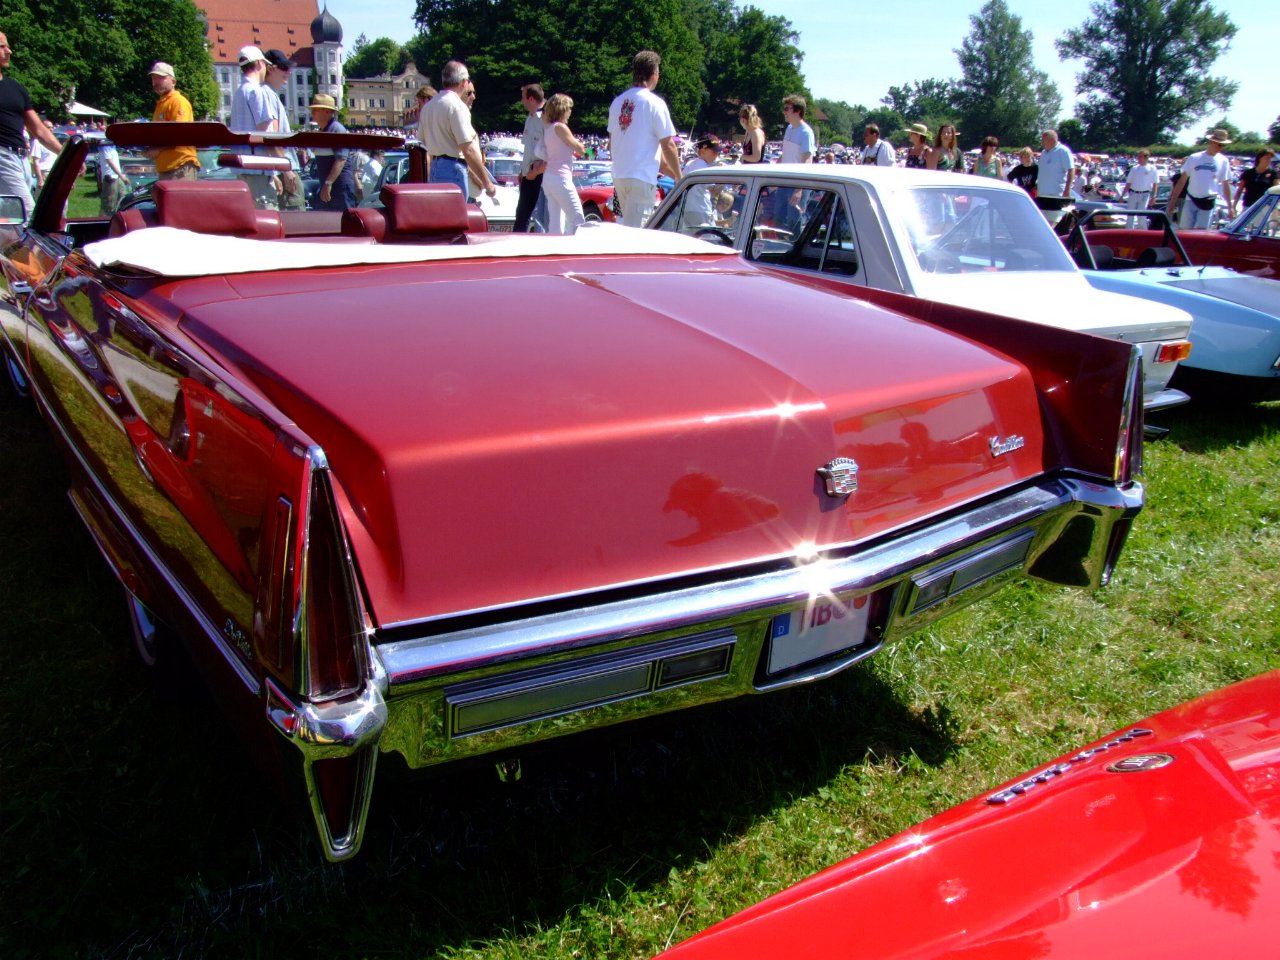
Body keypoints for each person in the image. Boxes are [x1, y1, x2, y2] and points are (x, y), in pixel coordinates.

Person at [607, 50, 681, 227]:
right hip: (641, 178)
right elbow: (668, 145)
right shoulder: (655, 103)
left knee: (626, 230)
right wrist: (680, 178)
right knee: (638, 238)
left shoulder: (617, 102)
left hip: (620, 175)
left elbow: (612, 142)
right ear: (654, 74)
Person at [417, 59, 497, 201]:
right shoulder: (457, 106)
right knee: (455, 220)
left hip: (434, 169)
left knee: (439, 220)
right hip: (453, 168)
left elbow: (422, 142)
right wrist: (487, 183)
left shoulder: (428, 107)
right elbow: (468, 149)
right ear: (464, 82)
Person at [0, 30, 59, 220]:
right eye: (2, 47)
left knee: (9, 222)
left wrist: (66, 153)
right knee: (28, 214)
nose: (9, 51)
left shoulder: (16, 88)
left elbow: (39, 129)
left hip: (21, 160)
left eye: (7, 46)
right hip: (2, 157)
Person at [228, 45, 280, 209]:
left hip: (244, 169)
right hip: (259, 169)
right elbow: (266, 134)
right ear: (259, 63)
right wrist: (281, 168)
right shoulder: (257, 91)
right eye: (265, 64)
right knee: (268, 220)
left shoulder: (238, 93)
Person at [1166, 129, 1236, 229]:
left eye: (1223, 145)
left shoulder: (1223, 161)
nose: (1221, 148)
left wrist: (1230, 207)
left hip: (1208, 201)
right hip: (1191, 199)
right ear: (1212, 142)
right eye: (1219, 144)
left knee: (1201, 231)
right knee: (1184, 230)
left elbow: (1225, 184)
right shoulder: (1194, 158)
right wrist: (1173, 201)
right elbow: (1182, 181)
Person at [539, 93, 586, 235]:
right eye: (569, 109)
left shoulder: (548, 129)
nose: (570, 112)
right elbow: (580, 149)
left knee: (555, 222)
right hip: (561, 178)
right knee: (577, 219)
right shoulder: (561, 128)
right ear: (563, 110)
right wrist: (581, 145)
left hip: (549, 177)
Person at [148, 61, 199, 180]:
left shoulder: (178, 102)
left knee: (182, 199)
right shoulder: (161, 104)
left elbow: (179, 134)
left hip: (181, 167)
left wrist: (156, 149)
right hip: (167, 168)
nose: (156, 81)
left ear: (173, 81)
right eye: (154, 78)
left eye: (161, 77)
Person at [309, 93, 356, 211]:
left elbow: (341, 159)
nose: (312, 113)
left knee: (345, 222)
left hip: (340, 187)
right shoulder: (323, 131)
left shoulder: (336, 129)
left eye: (315, 110)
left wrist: (328, 183)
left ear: (326, 112)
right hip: (329, 186)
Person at [513, 83, 547, 232]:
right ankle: (516, 246)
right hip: (529, 172)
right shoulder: (530, 118)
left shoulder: (545, 117)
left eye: (523, 98)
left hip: (541, 173)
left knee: (541, 218)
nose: (522, 101)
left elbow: (550, 148)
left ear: (531, 99)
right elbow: (528, 148)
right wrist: (523, 171)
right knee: (521, 214)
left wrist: (537, 171)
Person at [681, 134, 721, 228]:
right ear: (703, 150)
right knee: (709, 239)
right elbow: (714, 192)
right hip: (701, 210)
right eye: (714, 152)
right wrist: (726, 177)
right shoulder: (703, 166)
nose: (716, 155)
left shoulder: (690, 163)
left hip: (687, 209)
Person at [1036, 129, 1074, 199]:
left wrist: (1067, 189)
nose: (1042, 142)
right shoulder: (1043, 153)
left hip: (1056, 195)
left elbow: (1071, 170)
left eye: (1043, 140)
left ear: (1052, 140)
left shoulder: (1063, 151)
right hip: (1042, 194)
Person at [96, 139, 128, 216]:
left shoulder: (112, 146)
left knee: (123, 197)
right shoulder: (105, 146)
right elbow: (110, 162)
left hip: (117, 176)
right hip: (110, 177)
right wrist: (121, 175)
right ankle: (103, 221)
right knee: (108, 204)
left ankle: (118, 216)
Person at [780, 95, 815, 164]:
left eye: (786, 109)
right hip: (784, 174)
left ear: (798, 111)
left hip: (795, 174)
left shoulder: (806, 133)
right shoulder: (789, 128)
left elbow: (806, 162)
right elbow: (785, 155)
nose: (784, 112)